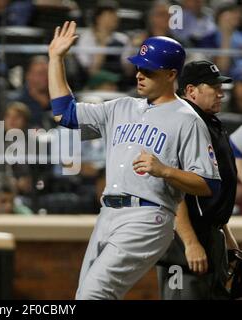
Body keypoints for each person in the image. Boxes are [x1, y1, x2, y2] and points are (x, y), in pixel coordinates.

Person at [48, 21, 221, 300]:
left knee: (93, 296)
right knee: (85, 295)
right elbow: (64, 115)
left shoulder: (187, 120)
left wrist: (165, 171)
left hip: (148, 216)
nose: (140, 74)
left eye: (148, 70)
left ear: (171, 74)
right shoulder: (122, 106)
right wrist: (56, 59)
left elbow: (208, 184)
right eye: (139, 67)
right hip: (108, 213)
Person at [157, 60, 240, 299]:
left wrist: (227, 237)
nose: (221, 93)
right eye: (213, 86)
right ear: (191, 90)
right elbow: (172, 191)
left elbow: (214, 190)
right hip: (183, 240)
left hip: (210, 235)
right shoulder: (180, 124)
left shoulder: (211, 124)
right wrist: (190, 242)